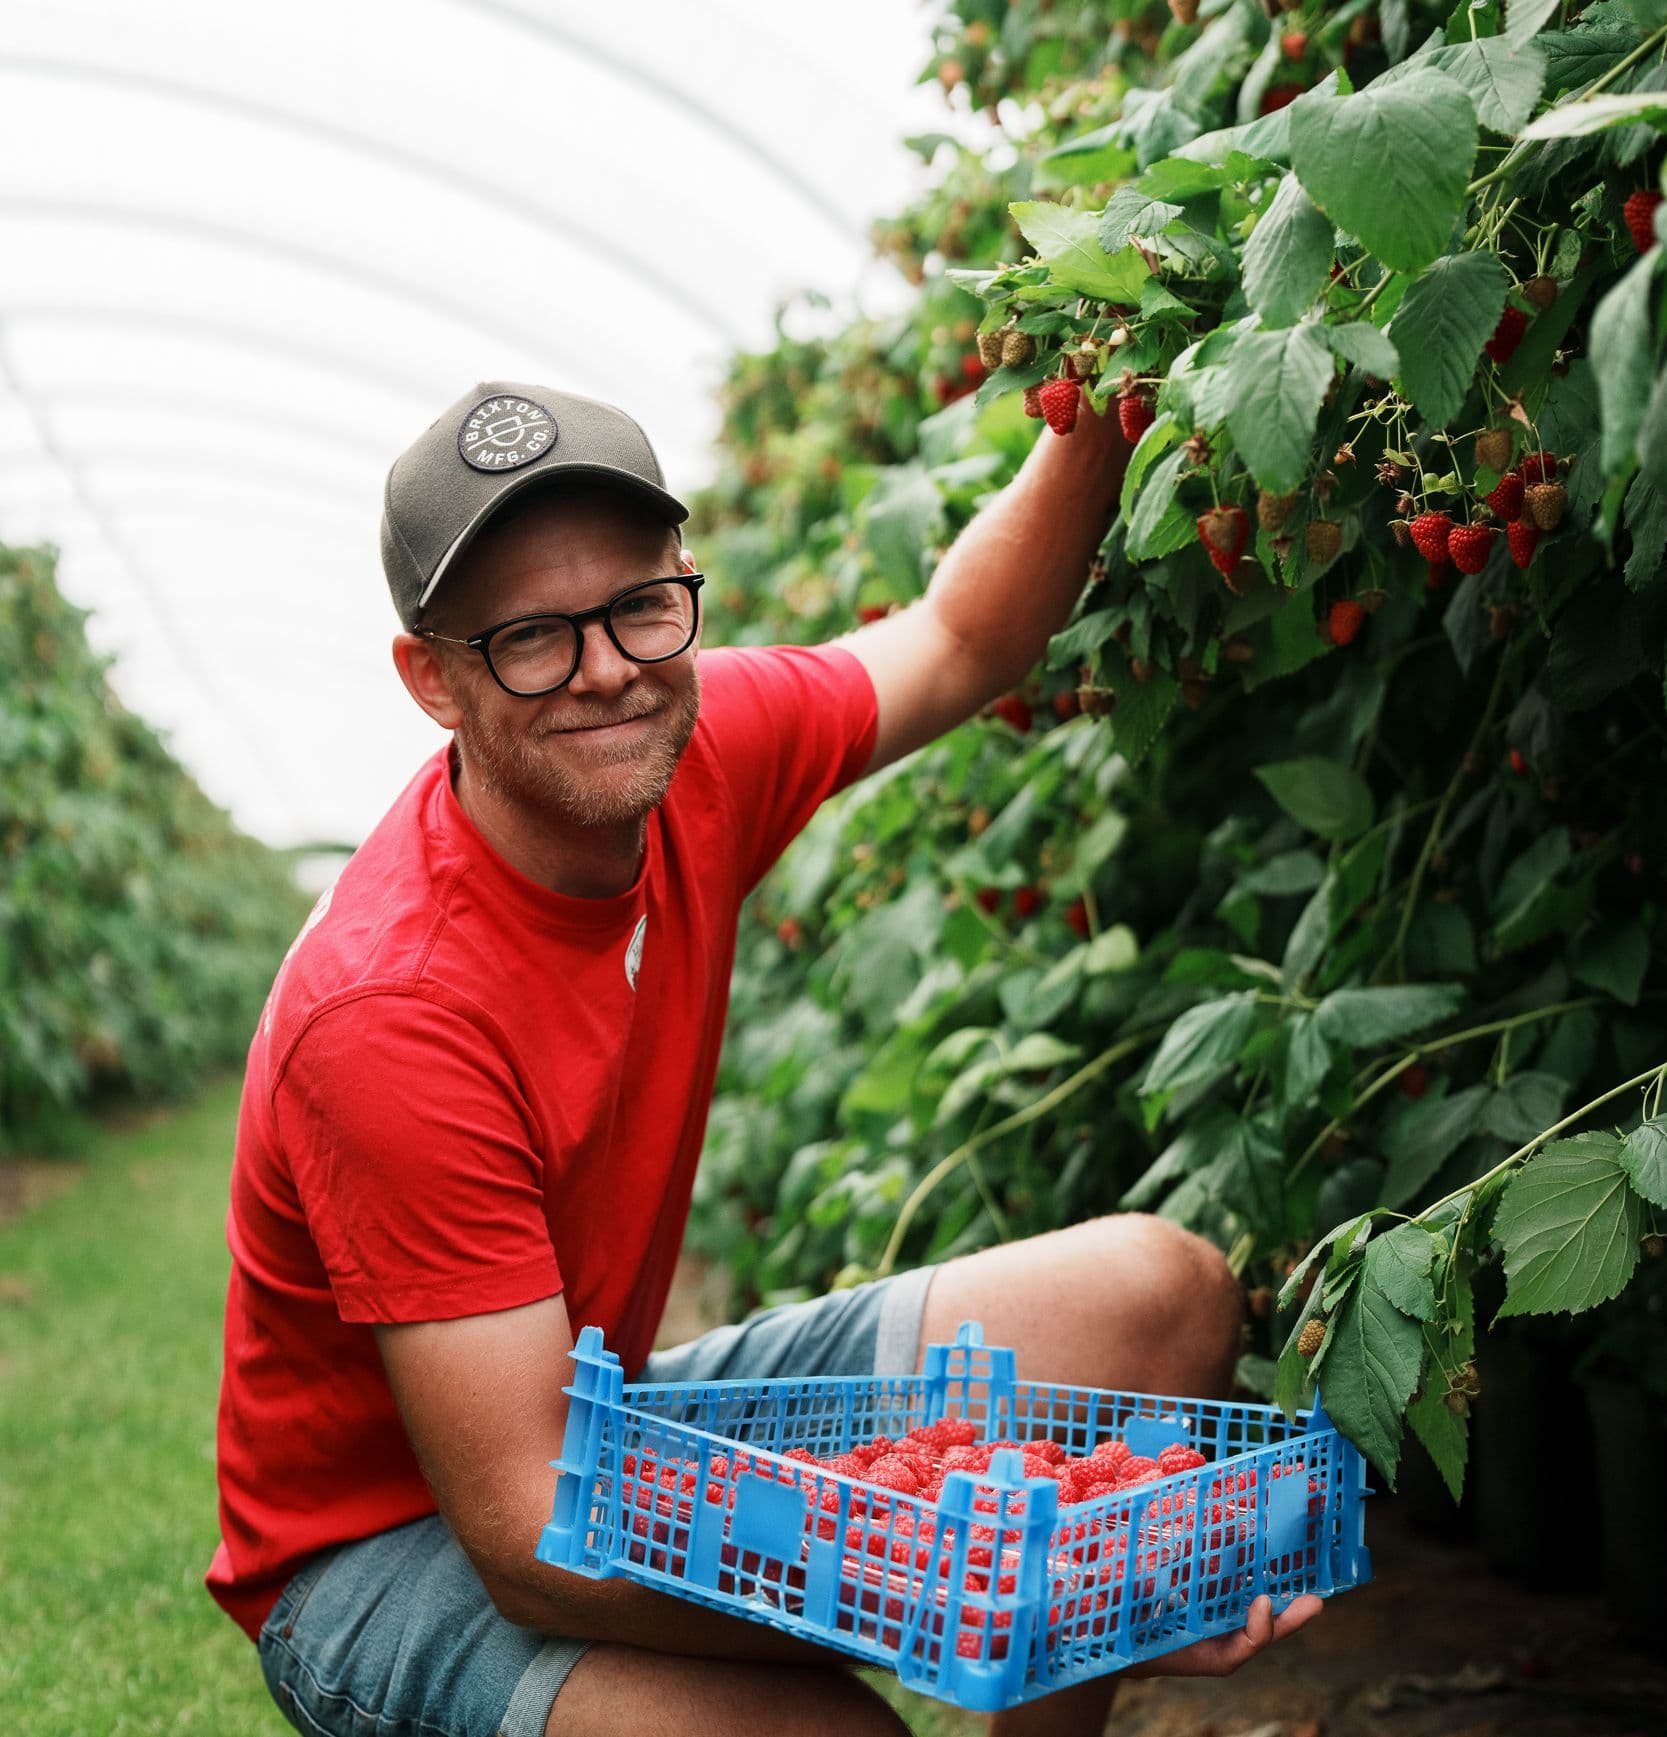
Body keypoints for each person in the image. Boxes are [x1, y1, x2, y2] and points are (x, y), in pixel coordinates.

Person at [208, 381, 1320, 1737]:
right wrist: (990, 1585)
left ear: (682, 587)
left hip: (590, 1424)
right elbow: (527, 1525)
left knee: (1159, 1292)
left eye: (636, 605)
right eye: (529, 639)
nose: (607, 666)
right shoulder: (390, 1012)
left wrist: (1095, 402)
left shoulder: (695, 743)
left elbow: (961, 636)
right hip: (384, 1550)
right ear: (432, 677)